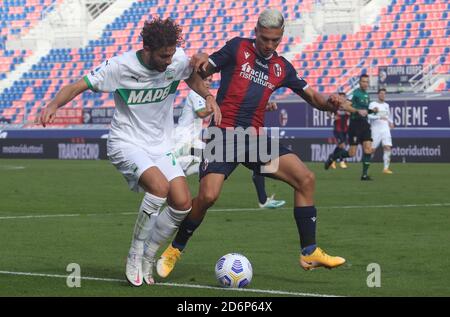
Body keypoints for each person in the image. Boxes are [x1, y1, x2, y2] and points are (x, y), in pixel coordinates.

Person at [155, 8, 356, 279]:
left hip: (254, 140)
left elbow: (313, 97)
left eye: (275, 40)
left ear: (281, 37)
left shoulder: (282, 67)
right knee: (208, 197)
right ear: (256, 32)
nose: (269, 45)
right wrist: (201, 62)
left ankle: (309, 252)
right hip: (223, 136)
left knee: (305, 179)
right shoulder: (238, 48)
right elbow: (204, 69)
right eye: (264, 39)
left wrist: (331, 103)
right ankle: (175, 249)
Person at [39, 17, 221, 287]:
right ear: (147, 49)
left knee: (182, 203)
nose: (169, 61)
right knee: (159, 187)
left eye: (171, 54)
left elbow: (191, 76)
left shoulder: (176, 60)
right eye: (163, 56)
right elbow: (79, 85)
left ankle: (149, 255)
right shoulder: (120, 66)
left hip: (159, 144)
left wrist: (207, 95)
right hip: (126, 142)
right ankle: (135, 253)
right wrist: (53, 105)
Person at [175, 77, 285, 208]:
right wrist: (217, 106)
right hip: (184, 139)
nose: (208, 82)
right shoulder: (196, 93)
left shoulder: (207, 97)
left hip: (193, 140)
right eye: (205, 80)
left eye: (210, 80)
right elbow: (201, 113)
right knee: (171, 175)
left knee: (211, 158)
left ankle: (263, 200)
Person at [325, 74, 372, 180]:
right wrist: (357, 111)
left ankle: (364, 175)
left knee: (368, 149)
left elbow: (364, 111)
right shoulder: (355, 94)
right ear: (359, 83)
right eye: (363, 81)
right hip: (355, 125)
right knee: (351, 153)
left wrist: (371, 111)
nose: (365, 83)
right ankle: (334, 157)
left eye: (367, 82)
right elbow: (345, 106)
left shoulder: (367, 95)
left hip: (365, 125)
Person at [368, 88, 394, 174]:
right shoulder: (372, 104)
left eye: (384, 94)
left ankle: (385, 169)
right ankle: (366, 167)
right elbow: (369, 115)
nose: (383, 95)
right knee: (372, 150)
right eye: (381, 93)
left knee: (387, 147)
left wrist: (391, 122)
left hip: (385, 129)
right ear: (378, 94)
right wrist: (379, 116)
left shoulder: (386, 105)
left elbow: (388, 116)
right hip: (376, 129)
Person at [328, 92, 350, 169]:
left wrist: (349, 112)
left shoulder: (348, 105)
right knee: (342, 145)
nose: (342, 98)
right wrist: (333, 117)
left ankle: (332, 159)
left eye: (343, 97)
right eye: (340, 97)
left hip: (345, 129)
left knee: (340, 146)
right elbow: (328, 112)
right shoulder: (335, 105)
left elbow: (352, 112)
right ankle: (341, 161)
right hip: (337, 128)